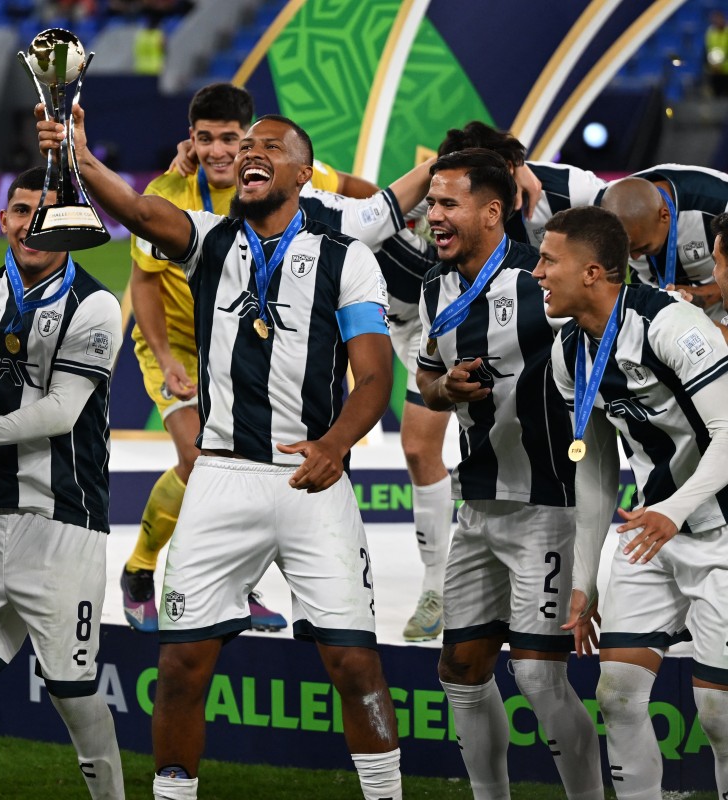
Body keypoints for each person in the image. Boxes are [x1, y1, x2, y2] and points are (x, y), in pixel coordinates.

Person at [41, 104, 404, 799]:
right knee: (180, 664)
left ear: (302, 173)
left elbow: (377, 374)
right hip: (221, 478)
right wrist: (82, 159)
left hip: (311, 480)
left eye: (269, 147)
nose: (249, 153)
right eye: (244, 148)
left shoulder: (345, 259)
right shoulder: (209, 239)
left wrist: (333, 445)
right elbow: (143, 215)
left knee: (355, 665)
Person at [0, 166, 126, 800]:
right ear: (3, 221)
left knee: (72, 691)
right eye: (18, 210)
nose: (30, 223)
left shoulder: (95, 302)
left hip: (61, 522)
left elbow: (62, 412)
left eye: (45, 212)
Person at [122, 82, 347, 634]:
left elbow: (359, 192)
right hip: (176, 349)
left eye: (231, 139)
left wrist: (399, 207)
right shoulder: (167, 192)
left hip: (240, 348)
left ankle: (237, 586)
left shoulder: (271, 175)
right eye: (205, 139)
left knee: (243, 469)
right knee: (200, 461)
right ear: (190, 141)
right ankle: (140, 571)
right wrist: (165, 356)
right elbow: (144, 286)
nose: (219, 151)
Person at [416, 148, 603, 800]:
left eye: (447, 204)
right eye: (430, 203)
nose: (431, 215)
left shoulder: (544, 281)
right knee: (460, 670)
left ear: (492, 212)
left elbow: (609, 325)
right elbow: (425, 376)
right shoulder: (433, 288)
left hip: (549, 508)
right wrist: (445, 390)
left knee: (538, 679)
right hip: (479, 507)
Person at [537, 205, 728, 798]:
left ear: (593, 272)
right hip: (650, 533)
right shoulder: (569, 353)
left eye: (548, 260)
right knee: (617, 692)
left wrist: (674, 512)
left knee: (720, 716)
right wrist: (586, 579)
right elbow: (594, 471)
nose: (537, 273)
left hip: (719, 534)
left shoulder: (674, 325)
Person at [297, 160, 452, 641]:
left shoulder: (480, 218)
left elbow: (354, 191)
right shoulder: (263, 213)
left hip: (437, 323)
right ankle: (433, 587)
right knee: (407, 447)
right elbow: (358, 193)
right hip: (381, 324)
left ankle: (446, 585)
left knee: (430, 447)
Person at [436, 120, 607, 248]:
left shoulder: (570, 190)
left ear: (509, 167)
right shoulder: (440, 199)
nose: (472, 191)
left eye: (477, 180)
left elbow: (628, 204)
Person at [600, 167, 728, 322]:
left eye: (643, 247)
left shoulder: (717, 201)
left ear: (664, 215)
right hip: (657, 315)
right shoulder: (599, 212)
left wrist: (704, 295)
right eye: (626, 250)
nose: (634, 256)